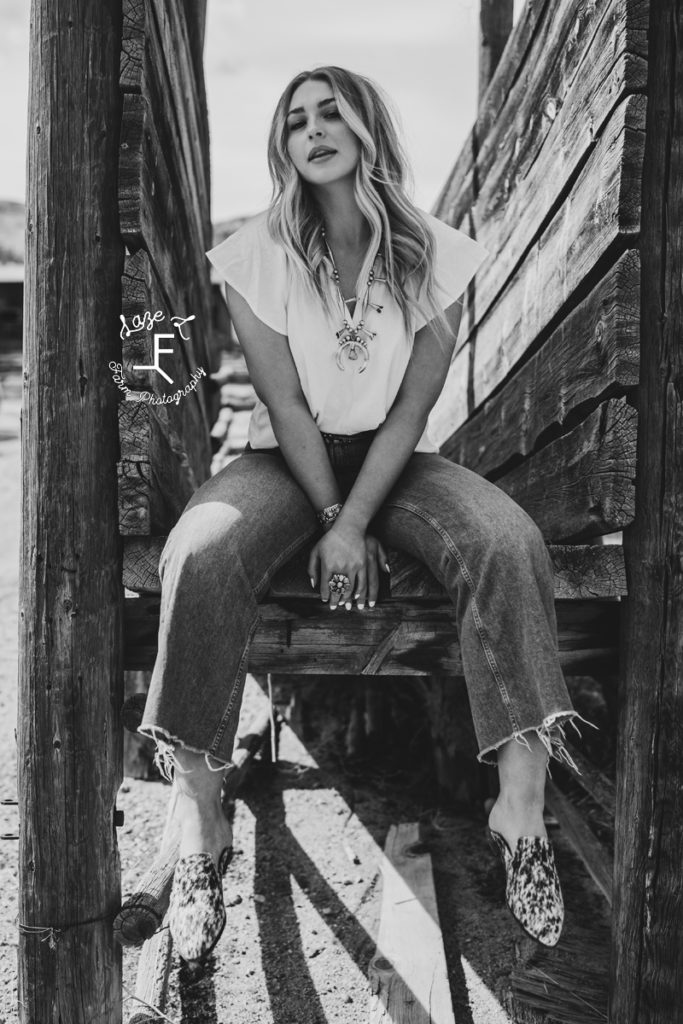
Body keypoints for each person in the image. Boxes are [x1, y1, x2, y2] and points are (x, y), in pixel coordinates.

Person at [137, 65, 595, 962]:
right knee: (199, 550)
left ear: (364, 124)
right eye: (294, 118)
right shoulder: (251, 256)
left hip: (398, 458)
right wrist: (328, 516)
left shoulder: (435, 251)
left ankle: (521, 804)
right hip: (287, 461)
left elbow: (413, 409)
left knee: (506, 539)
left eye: (328, 111)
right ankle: (197, 811)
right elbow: (289, 409)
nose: (311, 129)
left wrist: (355, 523)